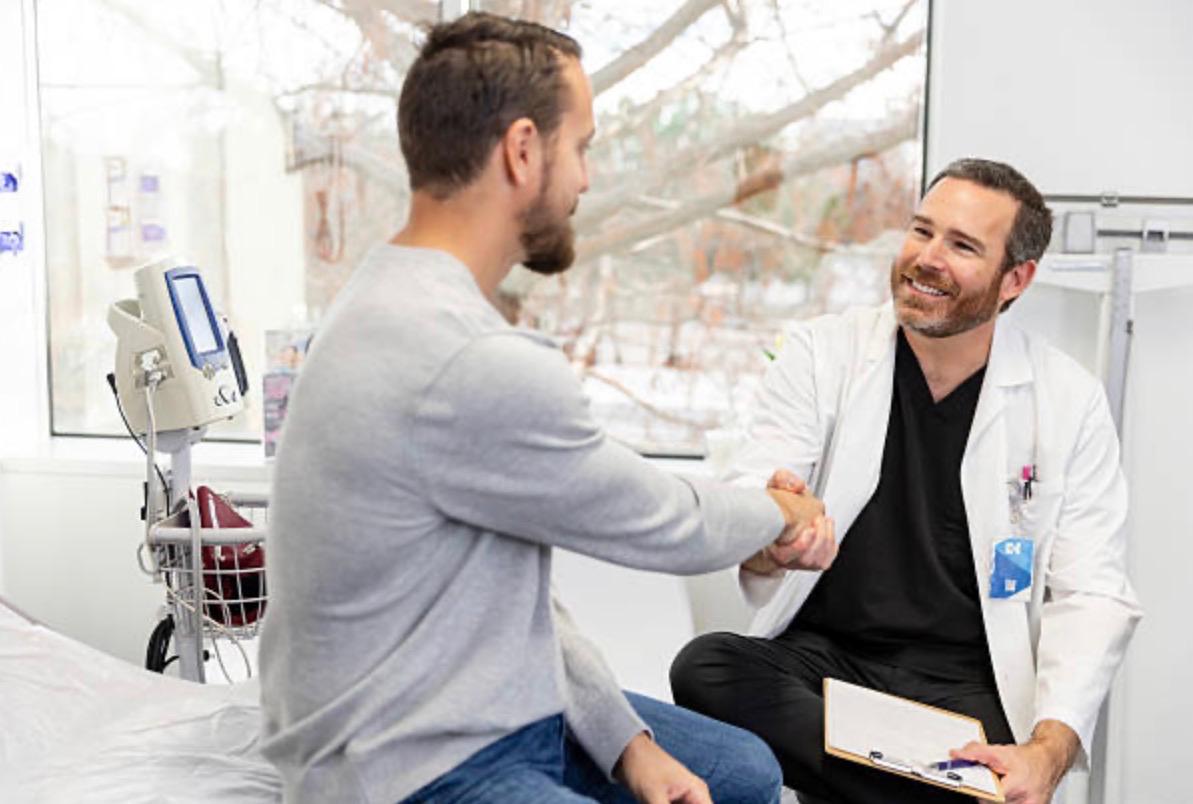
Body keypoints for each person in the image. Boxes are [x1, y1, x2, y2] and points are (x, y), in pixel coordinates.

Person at [258, 12, 839, 804]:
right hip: (409, 762)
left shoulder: (385, 296)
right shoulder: (464, 356)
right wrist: (782, 512)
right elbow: (664, 521)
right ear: (523, 150)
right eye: (582, 147)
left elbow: (515, 601)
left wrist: (626, 744)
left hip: (486, 705)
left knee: (743, 774)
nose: (586, 180)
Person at [670, 159, 1142, 804]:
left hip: (967, 682)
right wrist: (772, 535)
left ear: (1016, 279)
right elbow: (760, 484)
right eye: (922, 231)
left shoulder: (1067, 399)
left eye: (962, 246)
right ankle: (945, 795)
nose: (927, 258)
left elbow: (1093, 592)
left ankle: (919, 786)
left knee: (999, 752)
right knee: (708, 667)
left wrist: (1047, 753)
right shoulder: (824, 353)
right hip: (827, 664)